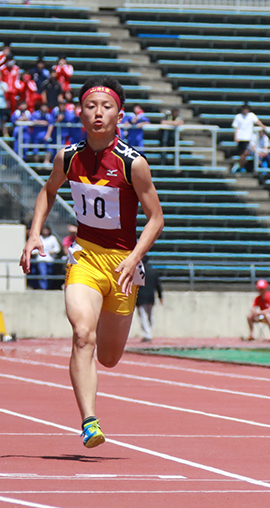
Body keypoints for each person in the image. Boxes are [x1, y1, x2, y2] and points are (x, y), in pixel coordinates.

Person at [19, 76, 164, 449]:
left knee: (111, 357)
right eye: (90, 106)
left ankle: (103, 336)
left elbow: (156, 219)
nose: (98, 113)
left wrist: (134, 259)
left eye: (106, 107)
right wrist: (35, 233)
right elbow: (47, 192)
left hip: (122, 265)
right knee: (83, 335)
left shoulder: (133, 164)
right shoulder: (67, 157)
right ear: (79, 112)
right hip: (84, 257)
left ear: (119, 114)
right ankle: (89, 421)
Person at [136, 255, 162, 342]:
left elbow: (135, 286)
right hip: (151, 297)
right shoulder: (153, 271)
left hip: (141, 298)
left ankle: (147, 334)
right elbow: (158, 285)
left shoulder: (139, 271)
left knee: (142, 316)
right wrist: (160, 297)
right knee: (150, 316)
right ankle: (149, 332)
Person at [232, 103, 264, 172]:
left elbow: (257, 121)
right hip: (241, 138)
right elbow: (236, 127)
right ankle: (240, 166)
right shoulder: (238, 116)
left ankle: (239, 165)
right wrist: (236, 136)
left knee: (246, 152)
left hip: (248, 138)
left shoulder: (251, 115)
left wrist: (263, 126)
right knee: (243, 154)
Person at [29, 223, 62, 290]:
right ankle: (43, 288)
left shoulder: (52, 238)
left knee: (49, 274)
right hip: (41, 259)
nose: (45, 232)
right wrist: (36, 252)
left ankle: (48, 287)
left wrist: (52, 251)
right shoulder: (39, 238)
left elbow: (57, 248)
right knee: (43, 274)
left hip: (50, 259)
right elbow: (33, 249)